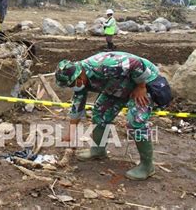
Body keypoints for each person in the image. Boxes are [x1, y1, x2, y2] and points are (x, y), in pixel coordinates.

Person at [55, 51, 171, 180]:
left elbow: (136, 64)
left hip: (142, 80)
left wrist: (141, 86)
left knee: (136, 122)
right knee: (100, 112)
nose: (72, 87)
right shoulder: (80, 81)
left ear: (79, 76)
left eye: (72, 84)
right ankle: (98, 150)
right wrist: (71, 132)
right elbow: (78, 103)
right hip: (118, 84)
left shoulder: (103, 65)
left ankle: (147, 166)